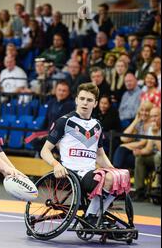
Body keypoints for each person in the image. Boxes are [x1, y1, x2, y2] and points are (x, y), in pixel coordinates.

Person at [40, 83, 127, 225]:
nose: (85, 103)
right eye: (82, 99)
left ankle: (97, 214)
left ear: (96, 103)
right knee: (110, 179)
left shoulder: (97, 125)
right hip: (72, 173)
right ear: (76, 100)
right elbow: (44, 151)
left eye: (89, 100)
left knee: (121, 177)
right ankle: (91, 216)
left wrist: (114, 170)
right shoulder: (64, 121)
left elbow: (100, 155)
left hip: (91, 173)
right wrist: (56, 164)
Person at [113, 101, 154, 170]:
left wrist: (125, 146)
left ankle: (115, 173)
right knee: (123, 154)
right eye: (142, 110)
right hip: (136, 151)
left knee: (122, 152)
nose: (144, 113)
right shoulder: (140, 124)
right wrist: (135, 120)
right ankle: (117, 173)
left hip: (147, 154)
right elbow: (123, 138)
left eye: (147, 111)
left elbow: (142, 143)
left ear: (151, 112)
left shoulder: (153, 125)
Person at [132, 107, 161, 201]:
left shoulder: (155, 130)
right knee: (140, 158)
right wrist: (140, 151)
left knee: (158, 156)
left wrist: (156, 134)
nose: (153, 119)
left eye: (156, 116)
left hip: (159, 157)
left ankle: (158, 188)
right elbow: (149, 148)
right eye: (151, 116)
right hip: (154, 157)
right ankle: (139, 190)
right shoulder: (151, 128)